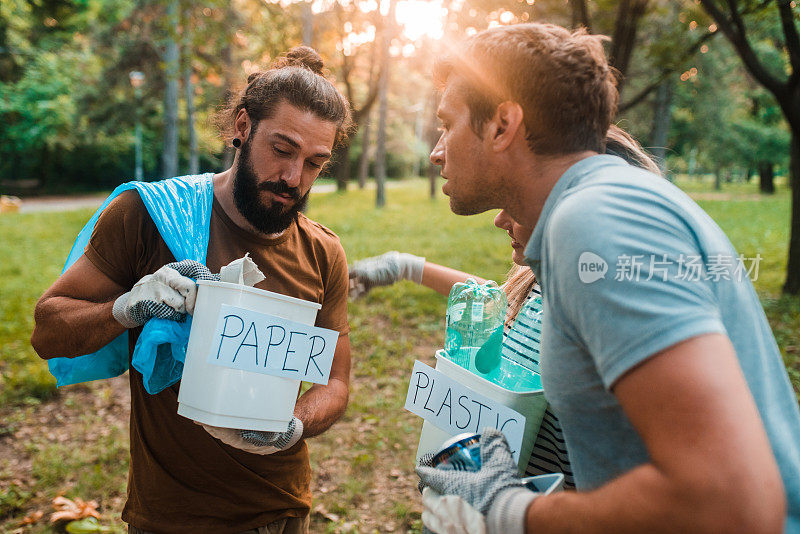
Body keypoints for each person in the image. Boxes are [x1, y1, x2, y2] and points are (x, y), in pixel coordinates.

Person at [415, 23, 800, 534]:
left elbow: (730, 504)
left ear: (503, 124)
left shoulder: (596, 220)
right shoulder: (588, 212)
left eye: (448, 124)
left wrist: (507, 508)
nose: (438, 152)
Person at [31, 47, 352, 534]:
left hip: (281, 510)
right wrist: (127, 308)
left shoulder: (324, 253)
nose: (294, 179)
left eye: (314, 163)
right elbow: (47, 332)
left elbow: (337, 382)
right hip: (172, 517)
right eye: (282, 150)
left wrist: (295, 426)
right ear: (242, 126)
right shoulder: (152, 218)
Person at [349, 126, 660, 492]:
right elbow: (496, 299)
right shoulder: (543, 281)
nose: (499, 219)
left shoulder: (610, 320)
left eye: (517, 203)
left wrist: (511, 508)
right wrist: (405, 266)